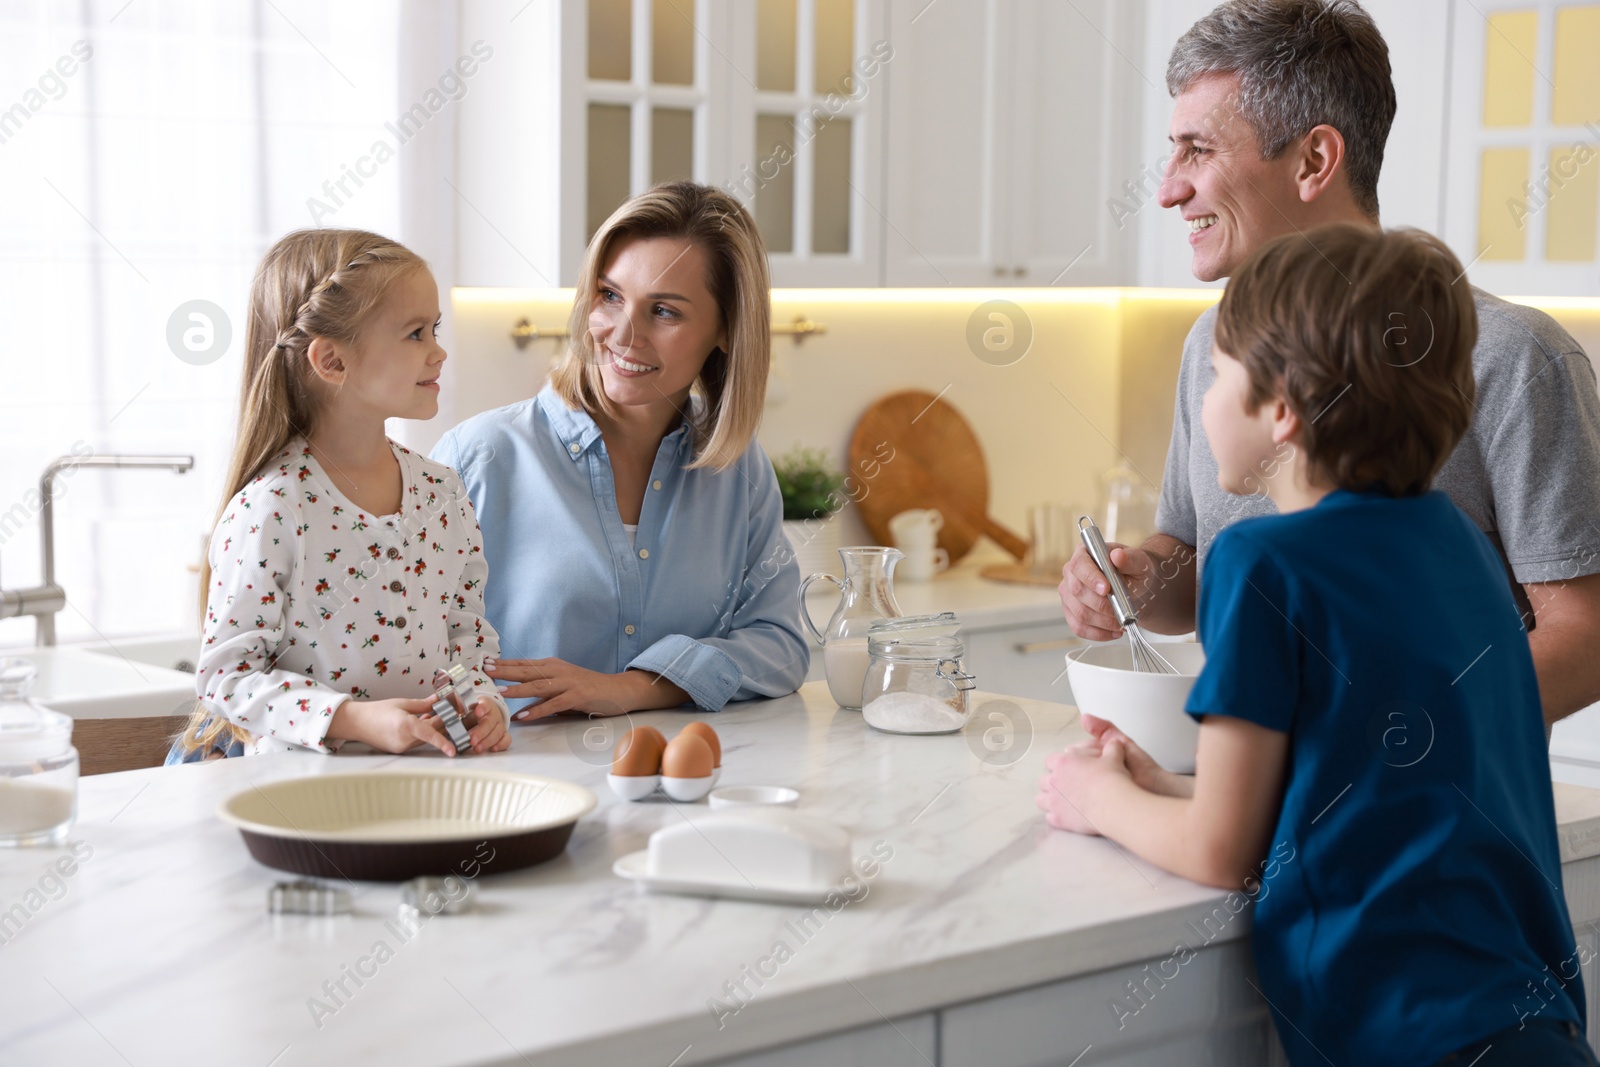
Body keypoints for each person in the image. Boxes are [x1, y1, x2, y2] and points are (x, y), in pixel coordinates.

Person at [1039, 224, 1593, 1066]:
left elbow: (1222, 854)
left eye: (1219, 376)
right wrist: (1160, 784)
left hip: (1404, 1041)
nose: (1202, 401)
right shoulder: (1457, 545)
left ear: (1282, 410)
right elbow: (1362, 788)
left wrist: (1095, 799)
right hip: (1533, 1023)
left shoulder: (1262, 562)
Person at [1059, 0, 1600, 726]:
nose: (1167, 188)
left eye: (1199, 149)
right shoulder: (1210, 347)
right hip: (1258, 807)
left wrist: (1388, 743)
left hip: (1420, 819)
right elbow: (1193, 558)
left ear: (1314, 160)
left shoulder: (1512, 356)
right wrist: (1138, 579)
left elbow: (1585, 635)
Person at [431, 182, 807, 719]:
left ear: (726, 328)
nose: (623, 334)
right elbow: (406, 651)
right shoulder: (478, 457)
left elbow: (780, 646)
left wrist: (635, 686)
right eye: (610, 296)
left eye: (665, 312)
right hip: (515, 786)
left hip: (691, 786)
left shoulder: (738, 470)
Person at [168, 229, 509, 762]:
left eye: (434, 328)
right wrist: (353, 719)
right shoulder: (274, 507)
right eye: (416, 333)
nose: (439, 351)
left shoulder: (444, 493)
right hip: (303, 798)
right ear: (332, 362)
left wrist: (480, 700)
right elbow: (225, 677)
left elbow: (466, 634)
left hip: (432, 783)